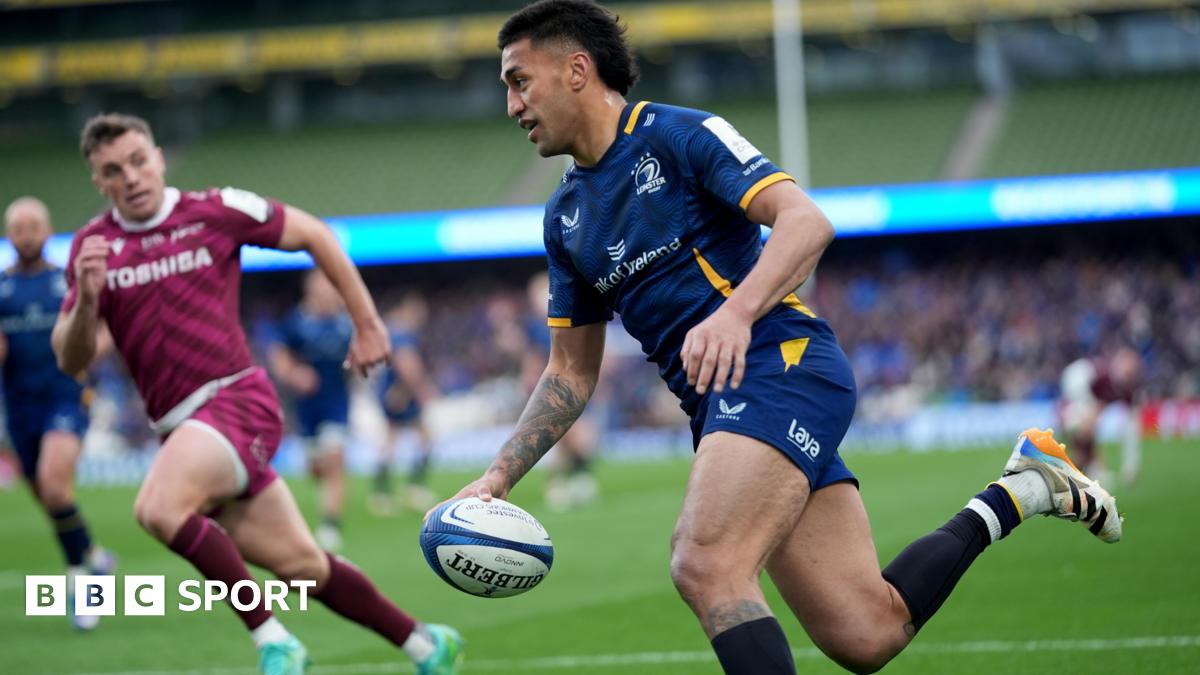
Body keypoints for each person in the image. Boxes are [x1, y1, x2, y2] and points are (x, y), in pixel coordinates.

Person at [441, 3, 1122, 674]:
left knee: (706, 562)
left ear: (576, 70)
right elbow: (570, 370)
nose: (512, 105)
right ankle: (1026, 487)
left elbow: (805, 222)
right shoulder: (564, 217)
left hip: (781, 364)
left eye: (519, 81)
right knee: (868, 632)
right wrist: (499, 476)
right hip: (725, 408)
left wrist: (735, 314)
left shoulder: (679, 135)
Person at [53, 113, 462, 675]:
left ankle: (274, 640)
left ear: (159, 158)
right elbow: (70, 358)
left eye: (138, 161)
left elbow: (314, 233)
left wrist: (367, 323)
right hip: (183, 430)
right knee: (303, 567)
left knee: (157, 508)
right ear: (98, 181)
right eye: (113, 170)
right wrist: (87, 301)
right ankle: (426, 644)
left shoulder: (215, 210)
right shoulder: (92, 248)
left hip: (235, 400)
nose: (131, 177)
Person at [2, 196, 116, 631]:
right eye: (18, 228)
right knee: (50, 499)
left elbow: (107, 326)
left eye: (34, 227)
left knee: (54, 487)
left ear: (48, 231)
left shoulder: (67, 281)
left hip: (65, 397)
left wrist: (87, 351)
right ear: (9, 235)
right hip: (20, 406)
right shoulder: (2, 289)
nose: (27, 235)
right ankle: (94, 556)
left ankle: (85, 589)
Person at [269, 269, 353, 550]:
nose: (328, 292)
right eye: (322, 287)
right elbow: (280, 356)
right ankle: (319, 477)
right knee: (316, 467)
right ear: (311, 290)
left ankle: (331, 525)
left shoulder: (345, 322)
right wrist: (295, 375)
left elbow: (360, 350)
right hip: (306, 408)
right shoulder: (297, 322)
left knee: (335, 459)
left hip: (337, 404)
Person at [523, 271, 599, 510]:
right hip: (552, 388)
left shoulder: (565, 319)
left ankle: (573, 479)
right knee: (560, 437)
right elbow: (533, 361)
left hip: (572, 385)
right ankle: (565, 481)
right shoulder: (536, 327)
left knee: (574, 436)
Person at [370, 292, 440, 514]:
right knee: (421, 439)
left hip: (394, 393)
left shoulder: (392, 331)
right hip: (401, 395)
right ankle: (408, 489)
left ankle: (384, 493)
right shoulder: (402, 334)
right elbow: (407, 365)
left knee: (395, 440)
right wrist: (421, 390)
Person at [1058, 347, 1143, 486]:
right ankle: (1085, 465)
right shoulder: (1100, 375)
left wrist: (1131, 467)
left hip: (1083, 398)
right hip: (1078, 382)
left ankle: (1088, 466)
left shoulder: (1127, 386)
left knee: (1088, 426)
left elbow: (1131, 424)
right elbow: (1086, 403)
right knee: (1082, 425)